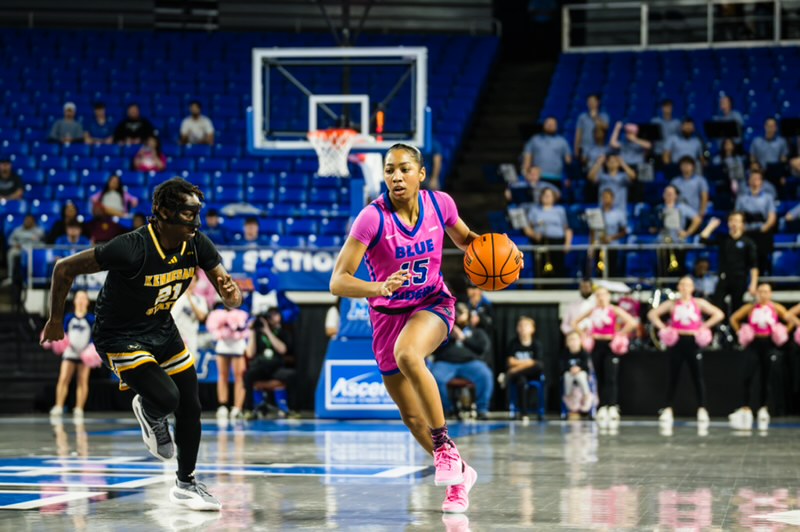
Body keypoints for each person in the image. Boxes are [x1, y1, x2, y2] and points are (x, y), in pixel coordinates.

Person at [40, 176, 243, 511]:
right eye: (188, 214)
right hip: (119, 334)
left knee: (190, 405)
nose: (196, 221)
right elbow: (64, 268)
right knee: (167, 397)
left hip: (162, 329)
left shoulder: (197, 244)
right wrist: (55, 319)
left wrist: (231, 295)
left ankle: (186, 484)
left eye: (197, 213)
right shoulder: (131, 247)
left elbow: (227, 290)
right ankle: (149, 408)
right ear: (163, 212)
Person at [330, 143, 492, 514]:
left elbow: (467, 241)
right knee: (412, 417)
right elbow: (338, 282)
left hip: (431, 303)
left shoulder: (441, 205)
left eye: (404, 169)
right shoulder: (372, 218)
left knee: (409, 353)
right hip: (387, 314)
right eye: (389, 170)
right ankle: (459, 478)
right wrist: (378, 287)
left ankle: (446, 448)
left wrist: (493, 248)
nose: (396, 176)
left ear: (420, 174)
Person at [647, 276, 725, 424]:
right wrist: (664, 328)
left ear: (692, 288)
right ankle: (668, 408)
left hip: (693, 342)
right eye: (681, 284)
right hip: (677, 342)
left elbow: (719, 314)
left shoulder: (699, 303)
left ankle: (702, 408)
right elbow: (652, 314)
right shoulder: (672, 304)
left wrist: (704, 326)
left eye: (687, 285)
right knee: (673, 376)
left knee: (698, 376)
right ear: (678, 287)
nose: (684, 287)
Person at [729, 284, 799, 430]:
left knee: (766, 377)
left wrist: (782, 332)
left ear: (770, 294)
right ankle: (746, 408)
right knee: (748, 375)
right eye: (760, 292)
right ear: (757, 294)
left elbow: (790, 318)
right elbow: (734, 318)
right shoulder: (750, 308)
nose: (763, 294)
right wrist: (741, 332)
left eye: (766, 292)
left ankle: (763, 407)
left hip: (769, 343)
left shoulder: (776, 308)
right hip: (754, 343)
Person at [572, 287, 637, 428]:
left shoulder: (614, 310)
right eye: (598, 295)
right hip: (596, 345)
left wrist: (619, 334)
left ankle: (612, 406)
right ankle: (601, 406)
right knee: (599, 376)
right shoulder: (593, 310)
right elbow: (574, 323)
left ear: (608, 296)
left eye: (603, 295)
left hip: (610, 346)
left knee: (611, 377)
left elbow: (632, 322)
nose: (601, 298)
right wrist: (584, 334)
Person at [430, 302, 493, 420]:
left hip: (470, 363)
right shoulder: (443, 330)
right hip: (446, 363)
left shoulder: (476, 331)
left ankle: (482, 410)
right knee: (434, 378)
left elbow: (482, 349)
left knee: (485, 374)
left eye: (462, 312)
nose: (459, 315)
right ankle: (447, 410)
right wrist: (447, 338)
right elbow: (433, 349)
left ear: (468, 315)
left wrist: (463, 339)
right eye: (457, 312)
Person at [699, 213, 758, 316]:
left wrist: (753, 284)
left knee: (737, 307)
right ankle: (718, 329)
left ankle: (735, 331)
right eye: (731, 220)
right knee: (717, 305)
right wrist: (711, 226)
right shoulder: (723, 239)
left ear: (742, 224)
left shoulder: (748, 242)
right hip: (723, 278)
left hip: (740, 279)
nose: (733, 223)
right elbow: (703, 239)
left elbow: (754, 265)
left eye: (736, 220)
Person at [49, 291, 95, 418]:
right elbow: (63, 333)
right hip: (70, 352)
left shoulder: (91, 319)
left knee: (82, 381)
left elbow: (93, 336)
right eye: (78, 298)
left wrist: (89, 349)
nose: (80, 300)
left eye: (83, 298)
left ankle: (79, 408)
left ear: (87, 301)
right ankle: (58, 405)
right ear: (74, 301)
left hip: (86, 353)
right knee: (63, 378)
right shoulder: (69, 317)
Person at [242, 308, 293, 418]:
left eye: (275, 315)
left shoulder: (281, 332)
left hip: (276, 367)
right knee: (248, 376)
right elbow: (250, 354)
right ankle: (249, 409)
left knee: (291, 375)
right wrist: (252, 332)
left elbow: (283, 350)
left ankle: (289, 408)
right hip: (261, 367)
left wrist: (268, 332)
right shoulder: (257, 334)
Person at [652, 185, 702, 277]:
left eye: (671, 193)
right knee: (662, 270)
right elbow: (653, 226)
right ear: (663, 195)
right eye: (667, 193)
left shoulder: (682, 207)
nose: (669, 195)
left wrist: (687, 233)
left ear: (676, 195)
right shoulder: (659, 209)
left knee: (678, 270)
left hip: (678, 243)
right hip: (662, 244)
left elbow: (697, 219)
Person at [209, 305, 249, 420]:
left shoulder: (242, 313)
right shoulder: (217, 313)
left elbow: (244, 328)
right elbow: (213, 328)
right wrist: (221, 329)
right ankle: (222, 406)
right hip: (223, 344)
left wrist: (236, 327)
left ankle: (237, 408)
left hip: (237, 344)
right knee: (222, 375)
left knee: (240, 376)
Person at [523, 187, 572, 278]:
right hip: (540, 241)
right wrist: (534, 235)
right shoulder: (534, 210)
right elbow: (527, 227)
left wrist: (567, 243)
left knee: (558, 266)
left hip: (557, 242)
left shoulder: (560, 210)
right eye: (544, 195)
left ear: (554, 198)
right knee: (540, 267)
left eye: (549, 195)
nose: (546, 197)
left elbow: (567, 228)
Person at [735, 170, 776, 275]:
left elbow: (772, 216)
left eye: (757, 179)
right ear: (748, 181)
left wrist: (764, 228)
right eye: (752, 178)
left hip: (762, 232)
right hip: (746, 231)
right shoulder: (741, 198)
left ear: (761, 181)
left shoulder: (768, 198)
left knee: (762, 257)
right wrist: (741, 228)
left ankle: (764, 281)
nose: (755, 181)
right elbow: (737, 215)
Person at [504, 315, 545, 420]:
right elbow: (510, 361)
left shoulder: (536, 344)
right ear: (517, 329)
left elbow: (537, 363)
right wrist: (528, 363)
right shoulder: (513, 343)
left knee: (539, 366)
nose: (523, 328)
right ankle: (524, 413)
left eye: (526, 326)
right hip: (520, 376)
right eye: (520, 326)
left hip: (533, 374)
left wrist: (515, 368)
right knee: (521, 381)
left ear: (532, 329)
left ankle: (511, 373)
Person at [171, 276, 209, 367]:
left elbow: (202, 317)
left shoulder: (200, 299)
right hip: (176, 336)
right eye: (189, 280)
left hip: (191, 336)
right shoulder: (175, 298)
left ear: (196, 283)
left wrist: (190, 299)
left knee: (191, 364)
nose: (190, 283)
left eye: (193, 281)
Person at [589, 189, 627, 277]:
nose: (605, 199)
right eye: (604, 197)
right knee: (599, 271)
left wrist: (611, 238)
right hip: (599, 246)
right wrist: (592, 245)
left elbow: (624, 232)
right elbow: (592, 231)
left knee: (612, 271)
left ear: (612, 199)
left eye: (607, 197)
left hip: (612, 246)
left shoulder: (618, 214)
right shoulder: (596, 213)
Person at [5, 214, 44, 285]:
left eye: (30, 220)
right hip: (20, 249)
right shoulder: (17, 230)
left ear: (33, 222)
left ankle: (30, 278)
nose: (27, 222)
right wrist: (15, 244)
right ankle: (10, 277)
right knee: (11, 253)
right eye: (26, 220)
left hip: (32, 251)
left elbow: (40, 242)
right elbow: (10, 240)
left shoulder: (39, 230)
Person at [561, 330, 592, 416]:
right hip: (569, 374)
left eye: (575, 339)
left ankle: (586, 396)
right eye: (570, 340)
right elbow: (562, 367)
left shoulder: (584, 353)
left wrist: (579, 368)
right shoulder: (565, 354)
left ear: (580, 341)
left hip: (582, 375)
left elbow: (587, 367)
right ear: (567, 343)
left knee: (580, 376)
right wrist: (570, 369)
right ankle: (569, 396)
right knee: (567, 376)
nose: (573, 342)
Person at [574, 94, 609, 160]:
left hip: (599, 148)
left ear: (598, 102)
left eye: (593, 101)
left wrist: (595, 117)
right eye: (589, 102)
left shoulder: (604, 116)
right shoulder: (582, 117)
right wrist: (576, 149)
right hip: (585, 149)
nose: (591, 103)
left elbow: (605, 127)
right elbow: (578, 133)